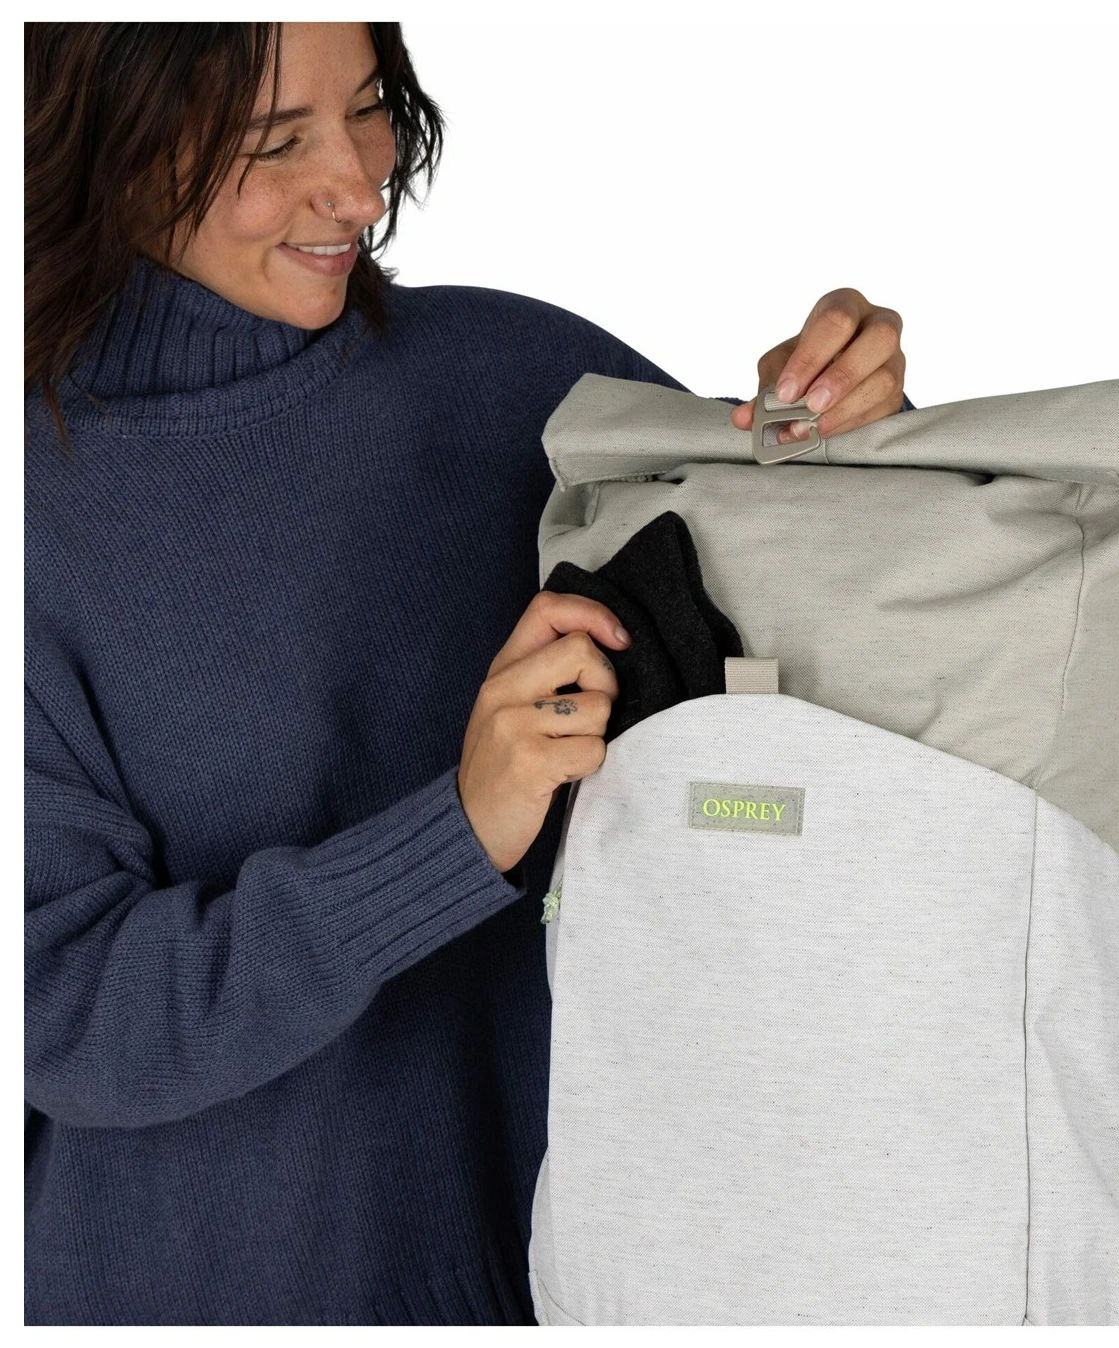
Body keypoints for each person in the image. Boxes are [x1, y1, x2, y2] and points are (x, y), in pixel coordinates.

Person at [24, 21, 912, 1325]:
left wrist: (845, 437)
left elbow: (818, 658)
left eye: (368, 108)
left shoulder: (517, 380)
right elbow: (70, 1014)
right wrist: (458, 832)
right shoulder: (36, 518)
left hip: (582, 1279)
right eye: (275, 143)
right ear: (113, 152)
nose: (356, 183)